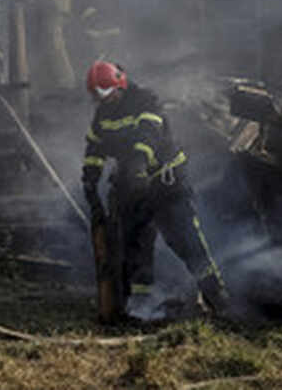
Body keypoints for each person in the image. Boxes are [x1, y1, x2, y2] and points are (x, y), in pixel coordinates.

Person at [81, 60, 229, 316]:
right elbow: (94, 149)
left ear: (120, 85)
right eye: (97, 95)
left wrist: (138, 164)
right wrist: (90, 180)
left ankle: (217, 297)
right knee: (135, 245)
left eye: (106, 92)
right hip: (133, 186)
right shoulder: (102, 115)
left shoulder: (145, 101)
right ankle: (140, 307)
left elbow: (148, 135)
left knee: (186, 239)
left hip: (165, 182)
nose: (103, 100)